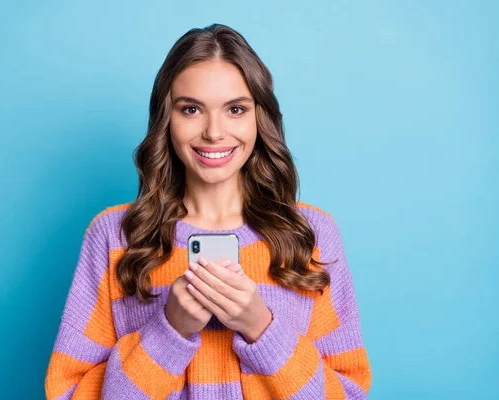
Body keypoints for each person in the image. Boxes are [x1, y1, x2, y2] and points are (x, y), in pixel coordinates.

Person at [45, 23, 372, 399]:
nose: (214, 133)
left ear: (259, 118)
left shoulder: (311, 235)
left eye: (235, 109)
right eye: (191, 109)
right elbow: (67, 393)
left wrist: (261, 327)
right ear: (166, 120)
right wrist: (169, 330)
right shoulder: (115, 236)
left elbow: (349, 394)